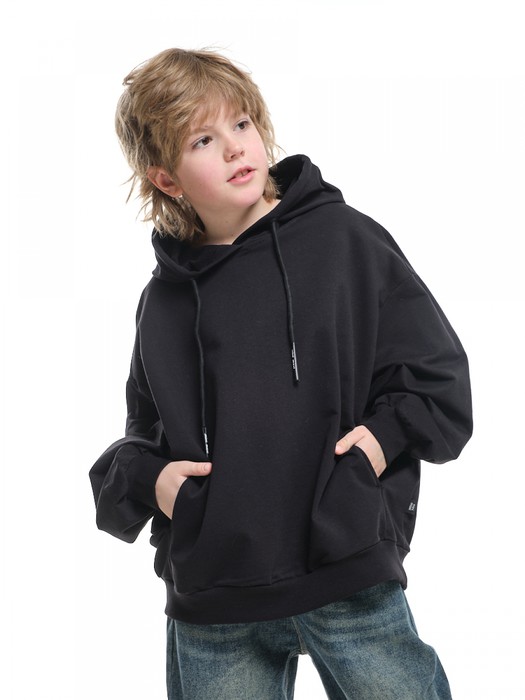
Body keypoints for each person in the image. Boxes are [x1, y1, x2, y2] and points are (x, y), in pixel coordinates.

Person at [89, 48, 473, 699]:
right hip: (216, 600)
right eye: (203, 140)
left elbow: (436, 377)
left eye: (242, 123)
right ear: (167, 180)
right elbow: (145, 429)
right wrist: (156, 483)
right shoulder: (165, 300)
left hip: (346, 573)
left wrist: (378, 445)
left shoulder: (345, 241)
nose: (235, 147)